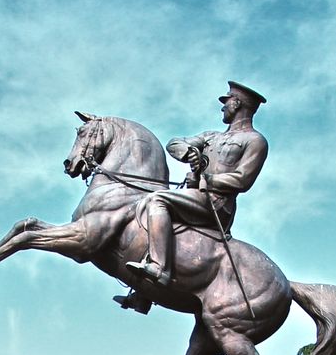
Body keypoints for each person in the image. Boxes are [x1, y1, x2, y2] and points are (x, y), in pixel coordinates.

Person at [115, 83, 270, 312]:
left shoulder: (255, 141)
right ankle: (143, 294)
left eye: (226, 101)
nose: (223, 107)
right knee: (160, 222)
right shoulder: (211, 136)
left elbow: (243, 179)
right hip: (195, 197)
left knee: (158, 200)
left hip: (217, 204)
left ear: (237, 103)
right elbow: (174, 143)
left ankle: (159, 268)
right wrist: (189, 153)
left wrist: (207, 178)